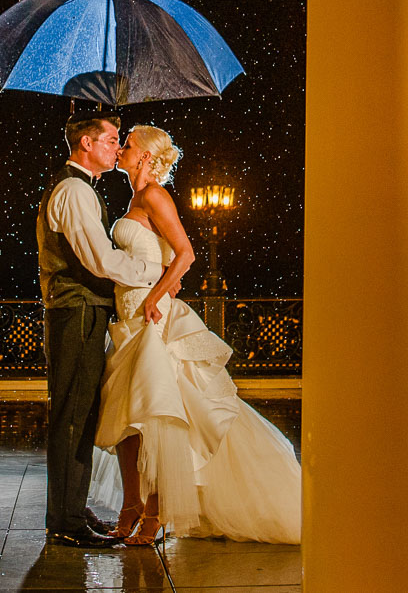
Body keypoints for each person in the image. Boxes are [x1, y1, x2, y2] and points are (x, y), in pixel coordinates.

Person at [95, 125, 302, 546]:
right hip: (129, 317)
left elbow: (186, 252)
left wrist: (156, 295)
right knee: (127, 420)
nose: (120, 149)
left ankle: (155, 512)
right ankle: (132, 503)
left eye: (127, 144)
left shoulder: (154, 195)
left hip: (152, 318)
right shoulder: (135, 198)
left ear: (146, 157)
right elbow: (162, 256)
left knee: (157, 413)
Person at [37, 104, 166, 549]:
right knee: (73, 414)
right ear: (87, 144)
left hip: (83, 310)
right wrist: (156, 274)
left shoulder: (82, 188)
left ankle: (69, 509)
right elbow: (99, 260)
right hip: (76, 311)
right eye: (113, 139)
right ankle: (66, 521)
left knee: (79, 412)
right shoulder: (74, 191)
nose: (117, 147)